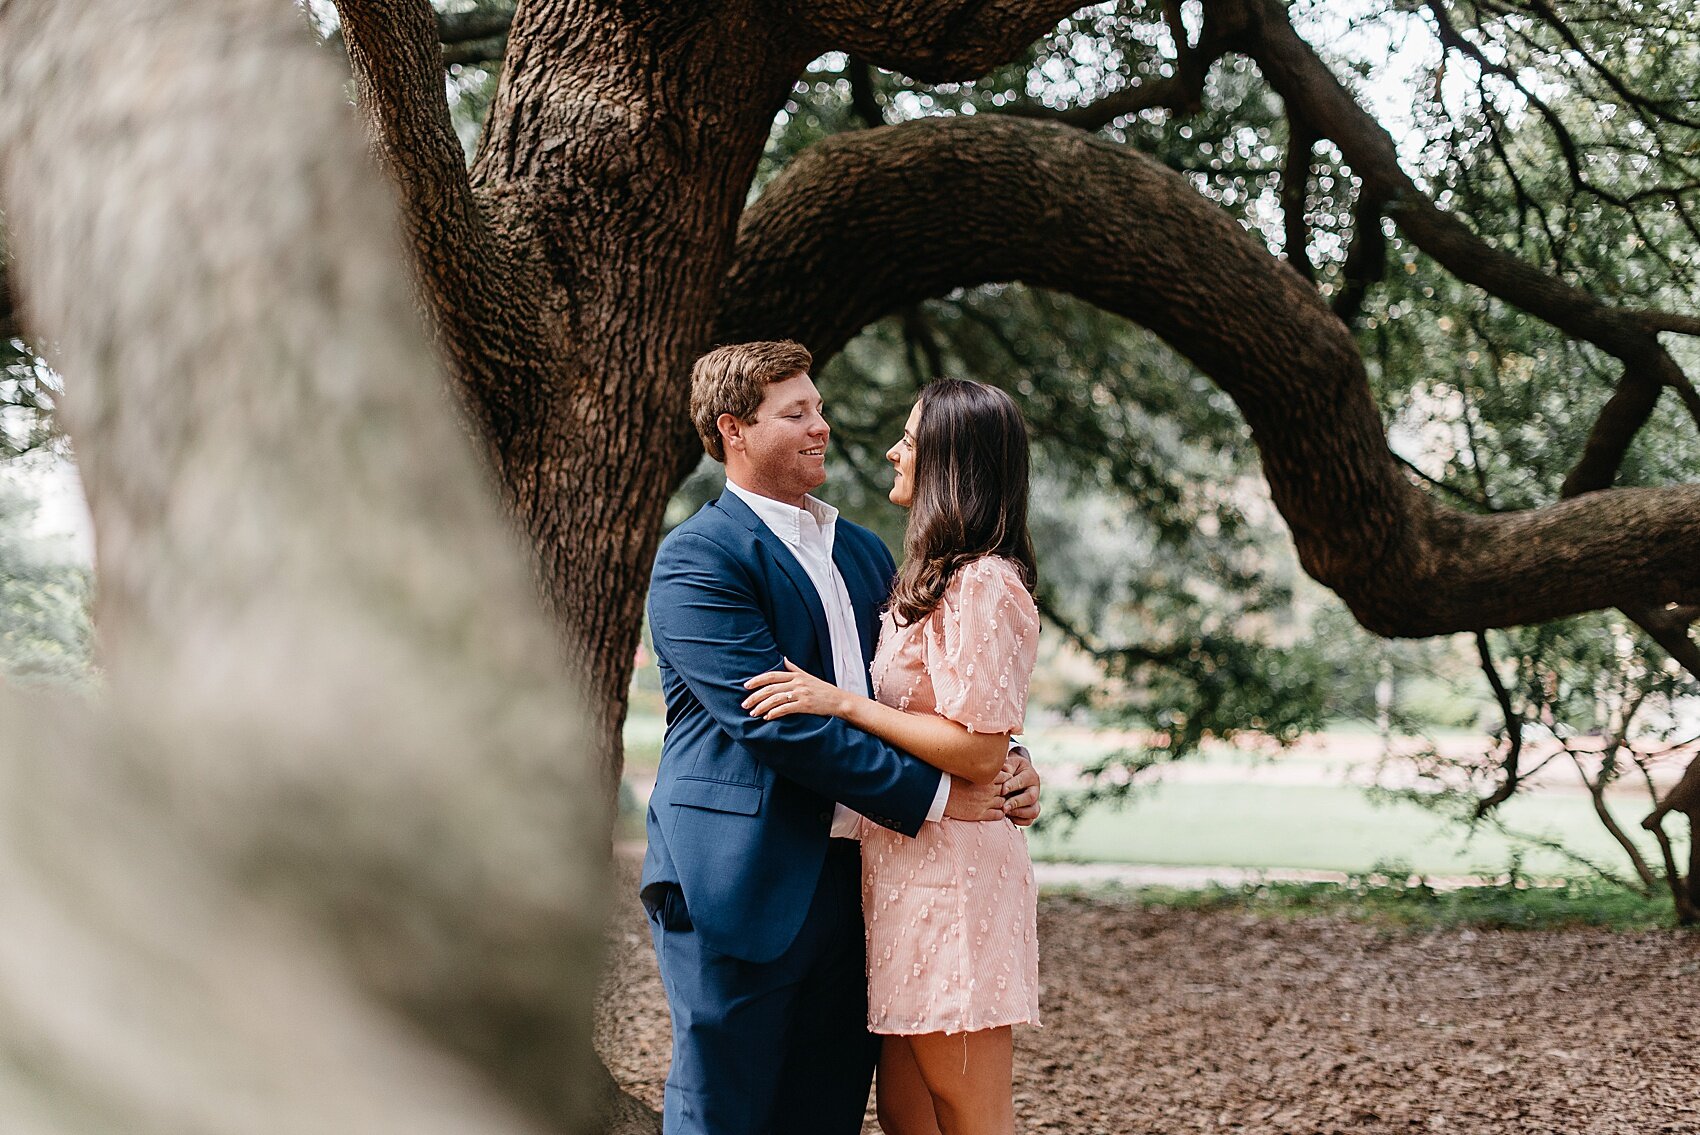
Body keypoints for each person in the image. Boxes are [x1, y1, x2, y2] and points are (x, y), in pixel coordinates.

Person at [642, 341, 1042, 1135]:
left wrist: (1007, 763)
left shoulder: (863, 552)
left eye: (819, 406)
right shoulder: (697, 558)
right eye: (796, 414)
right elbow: (782, 726)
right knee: (723, 1107)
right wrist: (946, 792)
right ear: (735, 431)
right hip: (742, 877)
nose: (822, 425)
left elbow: (925, 694)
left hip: (860, 879)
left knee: (825, 1109)